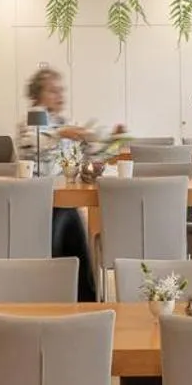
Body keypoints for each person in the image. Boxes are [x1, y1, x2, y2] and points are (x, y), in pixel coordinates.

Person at [17, 65, 122, 302]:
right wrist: (62, 134)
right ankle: (69, 297)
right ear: (37, 95)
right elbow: (32, 144)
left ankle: (83, 299)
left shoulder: (62, 122)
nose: (60, 95)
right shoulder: (33, 120)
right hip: (36, 201)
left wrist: (112, 142)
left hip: (63, 199)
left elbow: (91, 154)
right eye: (53, 91)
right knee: (67, 226)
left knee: (73, 228)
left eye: (61, 90)